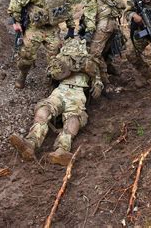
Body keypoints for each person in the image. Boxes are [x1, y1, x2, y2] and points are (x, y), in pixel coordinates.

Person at [9, 37, 104, 166]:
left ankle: (62, 150)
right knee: (44, 109)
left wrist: (97, 85)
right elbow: (51, 74)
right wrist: (64, 67)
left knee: (73, 118)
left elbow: (98, 78)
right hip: (60, 90)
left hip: (77, 93)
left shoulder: (90, 61)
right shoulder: (60, 58)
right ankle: (30, 143)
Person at [8, 0, 75, 89]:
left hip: (53, 29)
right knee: (26, 55)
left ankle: (53, 81)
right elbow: (16, 2)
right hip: (35, 28)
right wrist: (16, 22)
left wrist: (71, 27)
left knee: (55, 57)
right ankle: (22, 75)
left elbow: (67, 8)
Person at [76, 0, 126, 89]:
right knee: (104, 50)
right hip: (113, 24)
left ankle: (105, 84)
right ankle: (111, 69)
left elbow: (90, 15)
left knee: (94, 54)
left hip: (104, 25)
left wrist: (89, 33)